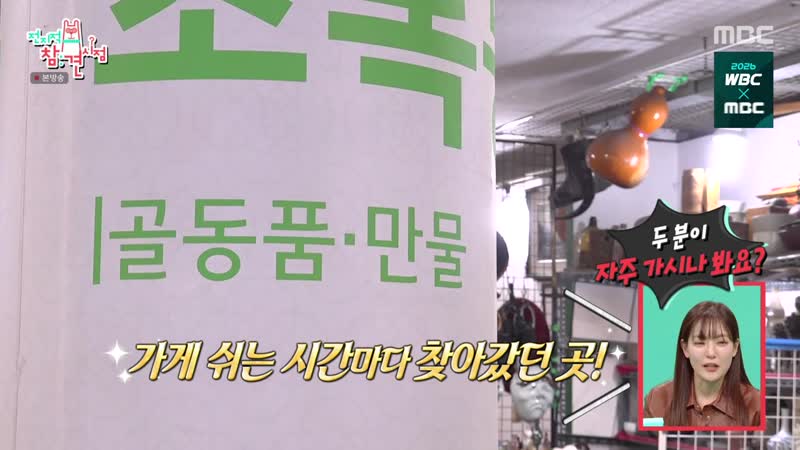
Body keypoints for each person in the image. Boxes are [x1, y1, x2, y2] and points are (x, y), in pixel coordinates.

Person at [644, 301, 761, 427]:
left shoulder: (757, 405)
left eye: (721, 342)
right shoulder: (658, 399)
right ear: (685, 348)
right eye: (700, 343)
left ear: (735, 348)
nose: (711, 353)